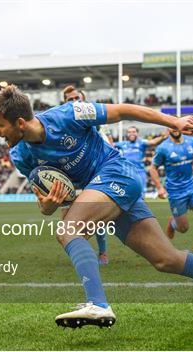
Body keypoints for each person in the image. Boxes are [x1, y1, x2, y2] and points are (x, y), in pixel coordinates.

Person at [0, 85, 193, 329]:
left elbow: (123, 110)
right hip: (101, 192)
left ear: (20, 123)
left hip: (117, 173)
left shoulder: (69, 114)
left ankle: (98, 304)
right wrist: (49, 205)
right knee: (166, 260)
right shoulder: (21, 156)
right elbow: (45, 206)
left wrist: (173, 121)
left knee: (68, 229)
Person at [149, 130, 193, 259]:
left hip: (192, 188)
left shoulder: (192, 141)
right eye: (171, 127)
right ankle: (173, 223)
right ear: (168, 130)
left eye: (176, 126)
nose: (175, 129)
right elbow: (152, 168)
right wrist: (160, 188)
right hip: (176, 192)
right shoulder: (163, 148)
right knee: (183, 228)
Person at [62, 85, 110, 264]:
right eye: (70, 100)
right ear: (64, 103)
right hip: (71, 174)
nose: (74, 103)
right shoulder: (62, 123)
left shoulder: (92, 119)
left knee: (94, 215)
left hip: (92, 171)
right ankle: (79, 251)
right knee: (66, 218)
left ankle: (102, 252)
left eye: (77, 99)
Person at [115, 126, 167, 195]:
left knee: (140, 196)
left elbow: (153, 142)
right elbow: (110, 144)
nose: (131, 134)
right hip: (126, 173)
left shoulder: (141, 143)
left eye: (133, 132)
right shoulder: (122, 144)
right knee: (126, 196)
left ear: (137, 133)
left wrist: (162, 137)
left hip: (139, 173)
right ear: (127, 134)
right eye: (129, 132)